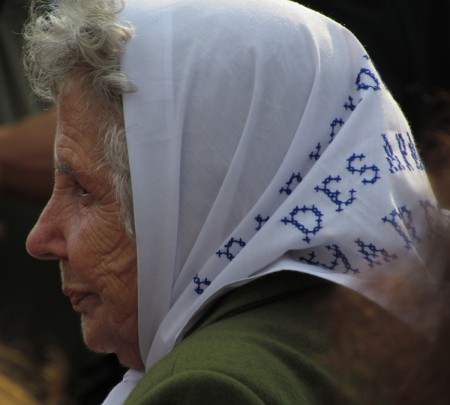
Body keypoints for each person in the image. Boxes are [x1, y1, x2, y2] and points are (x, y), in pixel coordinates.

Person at [23, 0, 444, 403]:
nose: (40, 238)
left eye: (84, 191)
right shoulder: (410, 332)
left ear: (204, 198)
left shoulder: (210, 388)